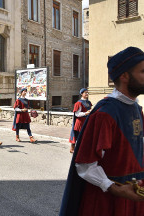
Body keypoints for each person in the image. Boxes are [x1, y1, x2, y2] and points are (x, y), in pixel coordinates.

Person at [60, 47, 144, 216]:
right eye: (143, 71)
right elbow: (85, 165)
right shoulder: (106, 114)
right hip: (110, 202)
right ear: (125, 76)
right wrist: (114, 189)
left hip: (135, 197)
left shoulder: (136, 107)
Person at [69, 88, 92, 153]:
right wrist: (85, 113)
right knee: (78, 136)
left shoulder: (88, 102)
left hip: (86, 121)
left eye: (87, 92)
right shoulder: (78, 103)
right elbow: (77, 114)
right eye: (85, 92)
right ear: (82, 94)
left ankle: (82, 149)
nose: (87, 94)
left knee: (85, 136)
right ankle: (73, 148)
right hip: (80, 122)